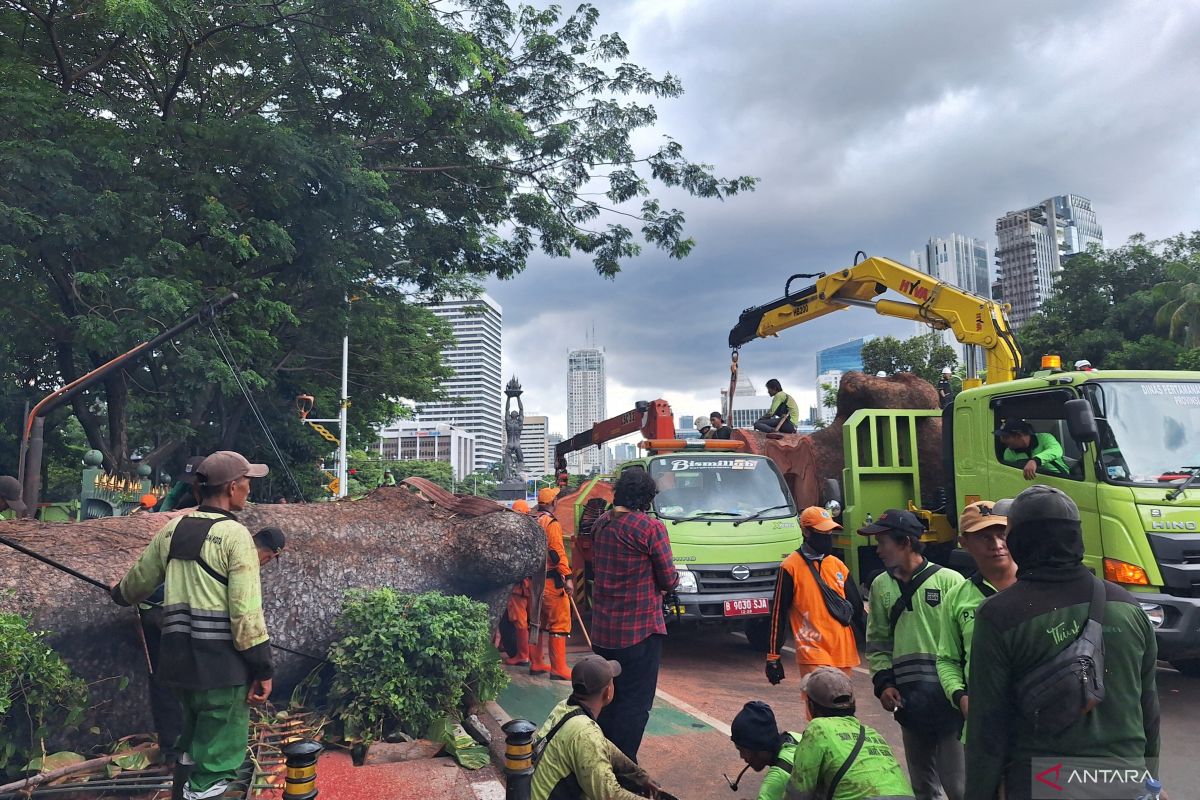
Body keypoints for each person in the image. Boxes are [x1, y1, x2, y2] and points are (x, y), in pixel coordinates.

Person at [966, 486, 1160, 800]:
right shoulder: (1129, 607)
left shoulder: (999, 615)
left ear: (1023, 541)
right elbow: (1148, 709)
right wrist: (1151, 782)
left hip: (1045, 782)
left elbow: (986, 727)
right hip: (1125, 779)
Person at [110, 451, 273, 800]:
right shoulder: (235, 536)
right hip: (221, 669)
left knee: (190, 744)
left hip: (178, 665)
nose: (248, 489)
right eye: (247, 482)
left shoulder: (172, 529)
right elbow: (246, 615)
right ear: (232, 487)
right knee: (216, 763)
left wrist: (118, 595)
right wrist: (263, 667)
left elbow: (136, 584)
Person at [863, 509, 966, 800]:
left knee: (958, 787)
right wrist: (884, 684)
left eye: (883, 542)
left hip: (949, 701)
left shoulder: (950, 582)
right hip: (909, 702)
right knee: (922, 787)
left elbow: (965, 641)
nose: (879, 550)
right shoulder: (881, 585)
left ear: (906, 542)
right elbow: (878, 642)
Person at [589, 468, 679, 762]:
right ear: (646, 498)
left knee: (605, 700)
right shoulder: (649, 528)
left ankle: (599, 760)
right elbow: (668, 578)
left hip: (603, 633)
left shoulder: (600, 524)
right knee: (635, 704)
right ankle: (622, 767)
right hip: (639, 632)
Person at [531, 655, 665, 800]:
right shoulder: (586, 734)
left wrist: (640, 777)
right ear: (608, 691)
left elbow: (607, 748)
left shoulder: (564, 707)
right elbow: (609, 796)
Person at [935, 501, 1017, 731]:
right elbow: (947, 659)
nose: (997, 545)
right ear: (964, 544)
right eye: (984, 537)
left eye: (1002, 535)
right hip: (983, 730)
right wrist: (960, 697)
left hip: (1036, 728)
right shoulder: (957, 597)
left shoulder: (1037, 586)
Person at [766, 507, 862, 690]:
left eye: (830, 532)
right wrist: (773, 657)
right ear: (806, 532)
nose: (827, 537)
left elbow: (857, 609)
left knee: (843, 708)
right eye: (822, 532)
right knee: (819, 706)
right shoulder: (790, 567)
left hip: (843, 652)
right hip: (812, 651)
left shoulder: (838, 565)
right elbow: (778, 613)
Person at [784, 668, 915, 800]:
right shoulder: (872, 733)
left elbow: (798, 793)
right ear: (854, 703)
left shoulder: (818, 728)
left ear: (811, 707)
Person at [530, 487, 573, 681]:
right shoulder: (551, 523)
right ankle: (559, 668)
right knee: (559, 624)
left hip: (535, 581)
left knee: (537, 622)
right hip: (551, 582)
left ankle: (536, 663)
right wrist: (568, 576)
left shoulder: (533, 520)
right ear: (552, 502)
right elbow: (556, 552)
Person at [728, 701, 802, 800]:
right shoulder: (795, 737)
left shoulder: (776, 780)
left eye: (742, 750)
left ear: (757, 746)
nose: (741, 756)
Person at [503, 499, 536, 666]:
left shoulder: (514, 533)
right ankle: (531, 655)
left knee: (519, 620)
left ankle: (522, 655)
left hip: (518, 585)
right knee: (530, 619)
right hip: (530, 583)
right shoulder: (533, 531)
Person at [995, 419, 1070, 479]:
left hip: (1061, 479)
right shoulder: (1008, 453)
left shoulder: (1045, 438)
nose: (1002, 440)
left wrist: (1035, 461)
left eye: (1006, 437)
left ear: (1019, 435)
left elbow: (1056, 450)